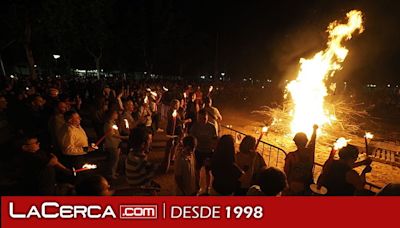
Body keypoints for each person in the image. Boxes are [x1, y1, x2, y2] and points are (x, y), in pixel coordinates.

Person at [189, 109, 218, 194]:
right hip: (198, 151)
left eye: (204, 119)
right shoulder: (195, 126)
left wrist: (214, 150)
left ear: (207, 117)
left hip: (208, 151)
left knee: (208, 171)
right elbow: (191, 138)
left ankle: (207, 188)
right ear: (198, 118)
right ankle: (197, 186)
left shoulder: (212, 127)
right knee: (197, 170)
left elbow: (215, 139)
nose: (202, 121)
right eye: (200, 118)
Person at [284, 124, 318, 195]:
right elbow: (313, 141)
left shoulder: (291, 156)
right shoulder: (310, 153)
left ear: (295, 142)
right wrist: (314, 130)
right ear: (306, 141)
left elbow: (286, 171)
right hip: (306, 187)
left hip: (292, 187)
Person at [104, 110, 128, 180]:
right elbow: (112, 135)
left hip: (116, 143)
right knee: (113, 159)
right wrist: (124, 137)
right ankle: (111, 174)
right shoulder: (108, 124)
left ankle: (113, 172)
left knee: (116, 159)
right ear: (111, 115)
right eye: (115, 113)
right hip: (112, 144)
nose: (117, 114)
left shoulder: (113, 123)